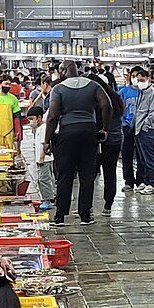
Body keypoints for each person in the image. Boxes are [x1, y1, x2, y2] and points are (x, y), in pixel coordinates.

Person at [45, 64, 118, 226]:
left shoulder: (58, 89)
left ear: (63, 72)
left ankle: (60, 216)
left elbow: (53, 115)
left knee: (64, 175)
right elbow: (106, 105)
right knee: (87, 175)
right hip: (89, 132)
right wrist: (105, 129)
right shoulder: (93, 86)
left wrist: (47, 140)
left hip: (66, 134)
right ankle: (86, 215)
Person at [89, 68, 126, 211]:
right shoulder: (116, 97)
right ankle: (108, 205)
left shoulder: (97, 100)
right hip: (116, 140)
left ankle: (88, 207)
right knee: (110, 173)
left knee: (90, 173)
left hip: (99, 141)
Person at [121, 68, 154, 195]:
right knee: (140, 157)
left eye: (141, 80)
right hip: (133, 129)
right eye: (136, 79)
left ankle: (152, 183)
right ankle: (140, 182)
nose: (138, 82)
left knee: (147, 158)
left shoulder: (152, 94)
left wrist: (144, 127)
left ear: (148, 79)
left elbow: (153, 114)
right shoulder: (139, 93)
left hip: (144, 130)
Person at [18, 104, 49, 205]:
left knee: (44, 180)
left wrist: (41, 157)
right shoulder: (38, 129)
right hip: (40, 159)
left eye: (32, 118)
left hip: (45, 159)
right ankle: (46, 198)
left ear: (39, 117)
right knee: (41, 179)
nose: (30, 121)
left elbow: (45, 144)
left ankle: (47, 200)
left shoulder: (44, 128)